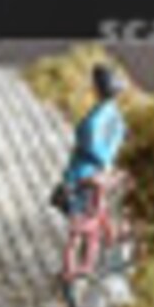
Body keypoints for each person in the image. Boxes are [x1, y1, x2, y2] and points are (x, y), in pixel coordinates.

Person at [58, 64, 127, 217]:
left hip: (89, 166)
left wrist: (103, 160)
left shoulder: (99, 117)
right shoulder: (110, 113)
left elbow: (89, 138)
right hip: (93, 166)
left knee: (82, 202)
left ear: (96, 90)